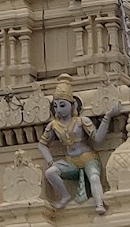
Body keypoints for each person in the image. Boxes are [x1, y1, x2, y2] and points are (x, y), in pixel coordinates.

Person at [38, 77, 119, 213]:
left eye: (63, 105)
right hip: (71, 162)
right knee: (50, 172)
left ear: (73, 105)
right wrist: (50, 161)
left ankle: (99, 203)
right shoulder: (53, 125)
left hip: (88, 158)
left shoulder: (82, 121)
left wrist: (108, 117)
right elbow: (41, 144)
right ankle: (65, 196)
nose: (59, 110)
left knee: (93, 177)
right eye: (56, 106)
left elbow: (98, 138)